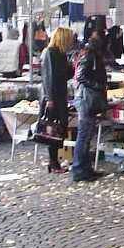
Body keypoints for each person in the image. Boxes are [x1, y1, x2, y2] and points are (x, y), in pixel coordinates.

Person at [71, 32, 108, 183]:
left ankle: (85, 169)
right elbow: (80, 76)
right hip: (87, 100)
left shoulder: (89, 54)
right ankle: (79, 169)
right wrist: (97, 85)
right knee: (84, 136)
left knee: (86, 137)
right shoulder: (89, 55)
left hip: (87, 99)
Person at [40, 27, 73, 175]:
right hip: (53, 97)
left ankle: (54, 162)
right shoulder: (50, 53)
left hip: (60, 96)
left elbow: (63, 75)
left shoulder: (61, 54)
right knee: (53, 129)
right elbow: (48, 77)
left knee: (58, 129)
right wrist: (49, 98)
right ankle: (53, 162)